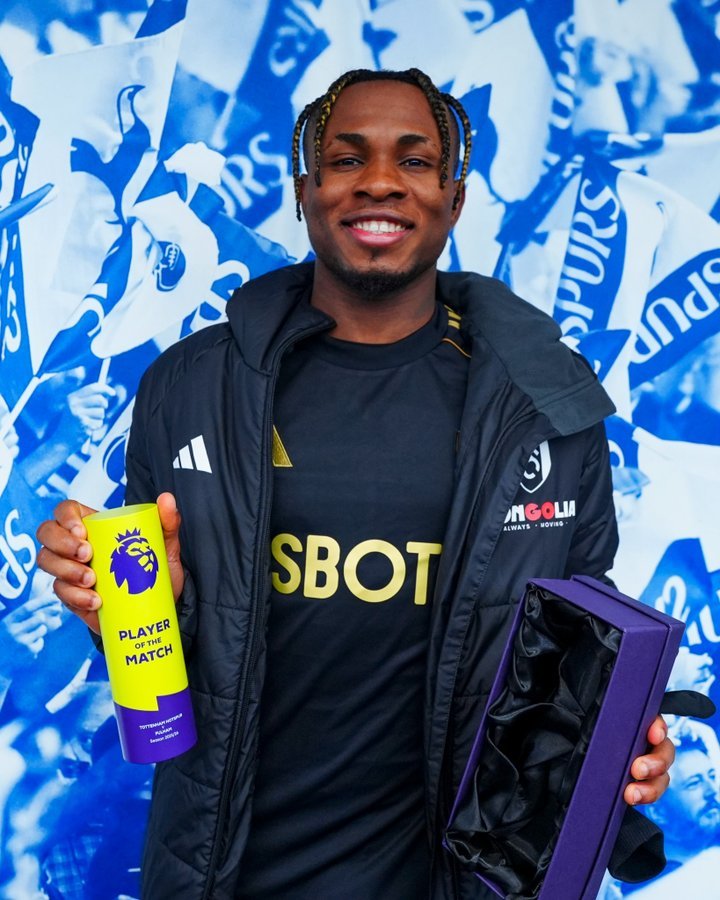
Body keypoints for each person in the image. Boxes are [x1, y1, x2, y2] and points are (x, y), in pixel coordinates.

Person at [36, 68, 675, 899]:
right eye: (347, 159)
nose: (379, 181)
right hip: (227, 879)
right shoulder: (191, 389)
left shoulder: (550, 409)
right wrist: (114, 609)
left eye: (414, 161)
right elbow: (162, 685)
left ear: (455, 195)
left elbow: (574, 658)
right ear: (305, 190)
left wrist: (622, 746)